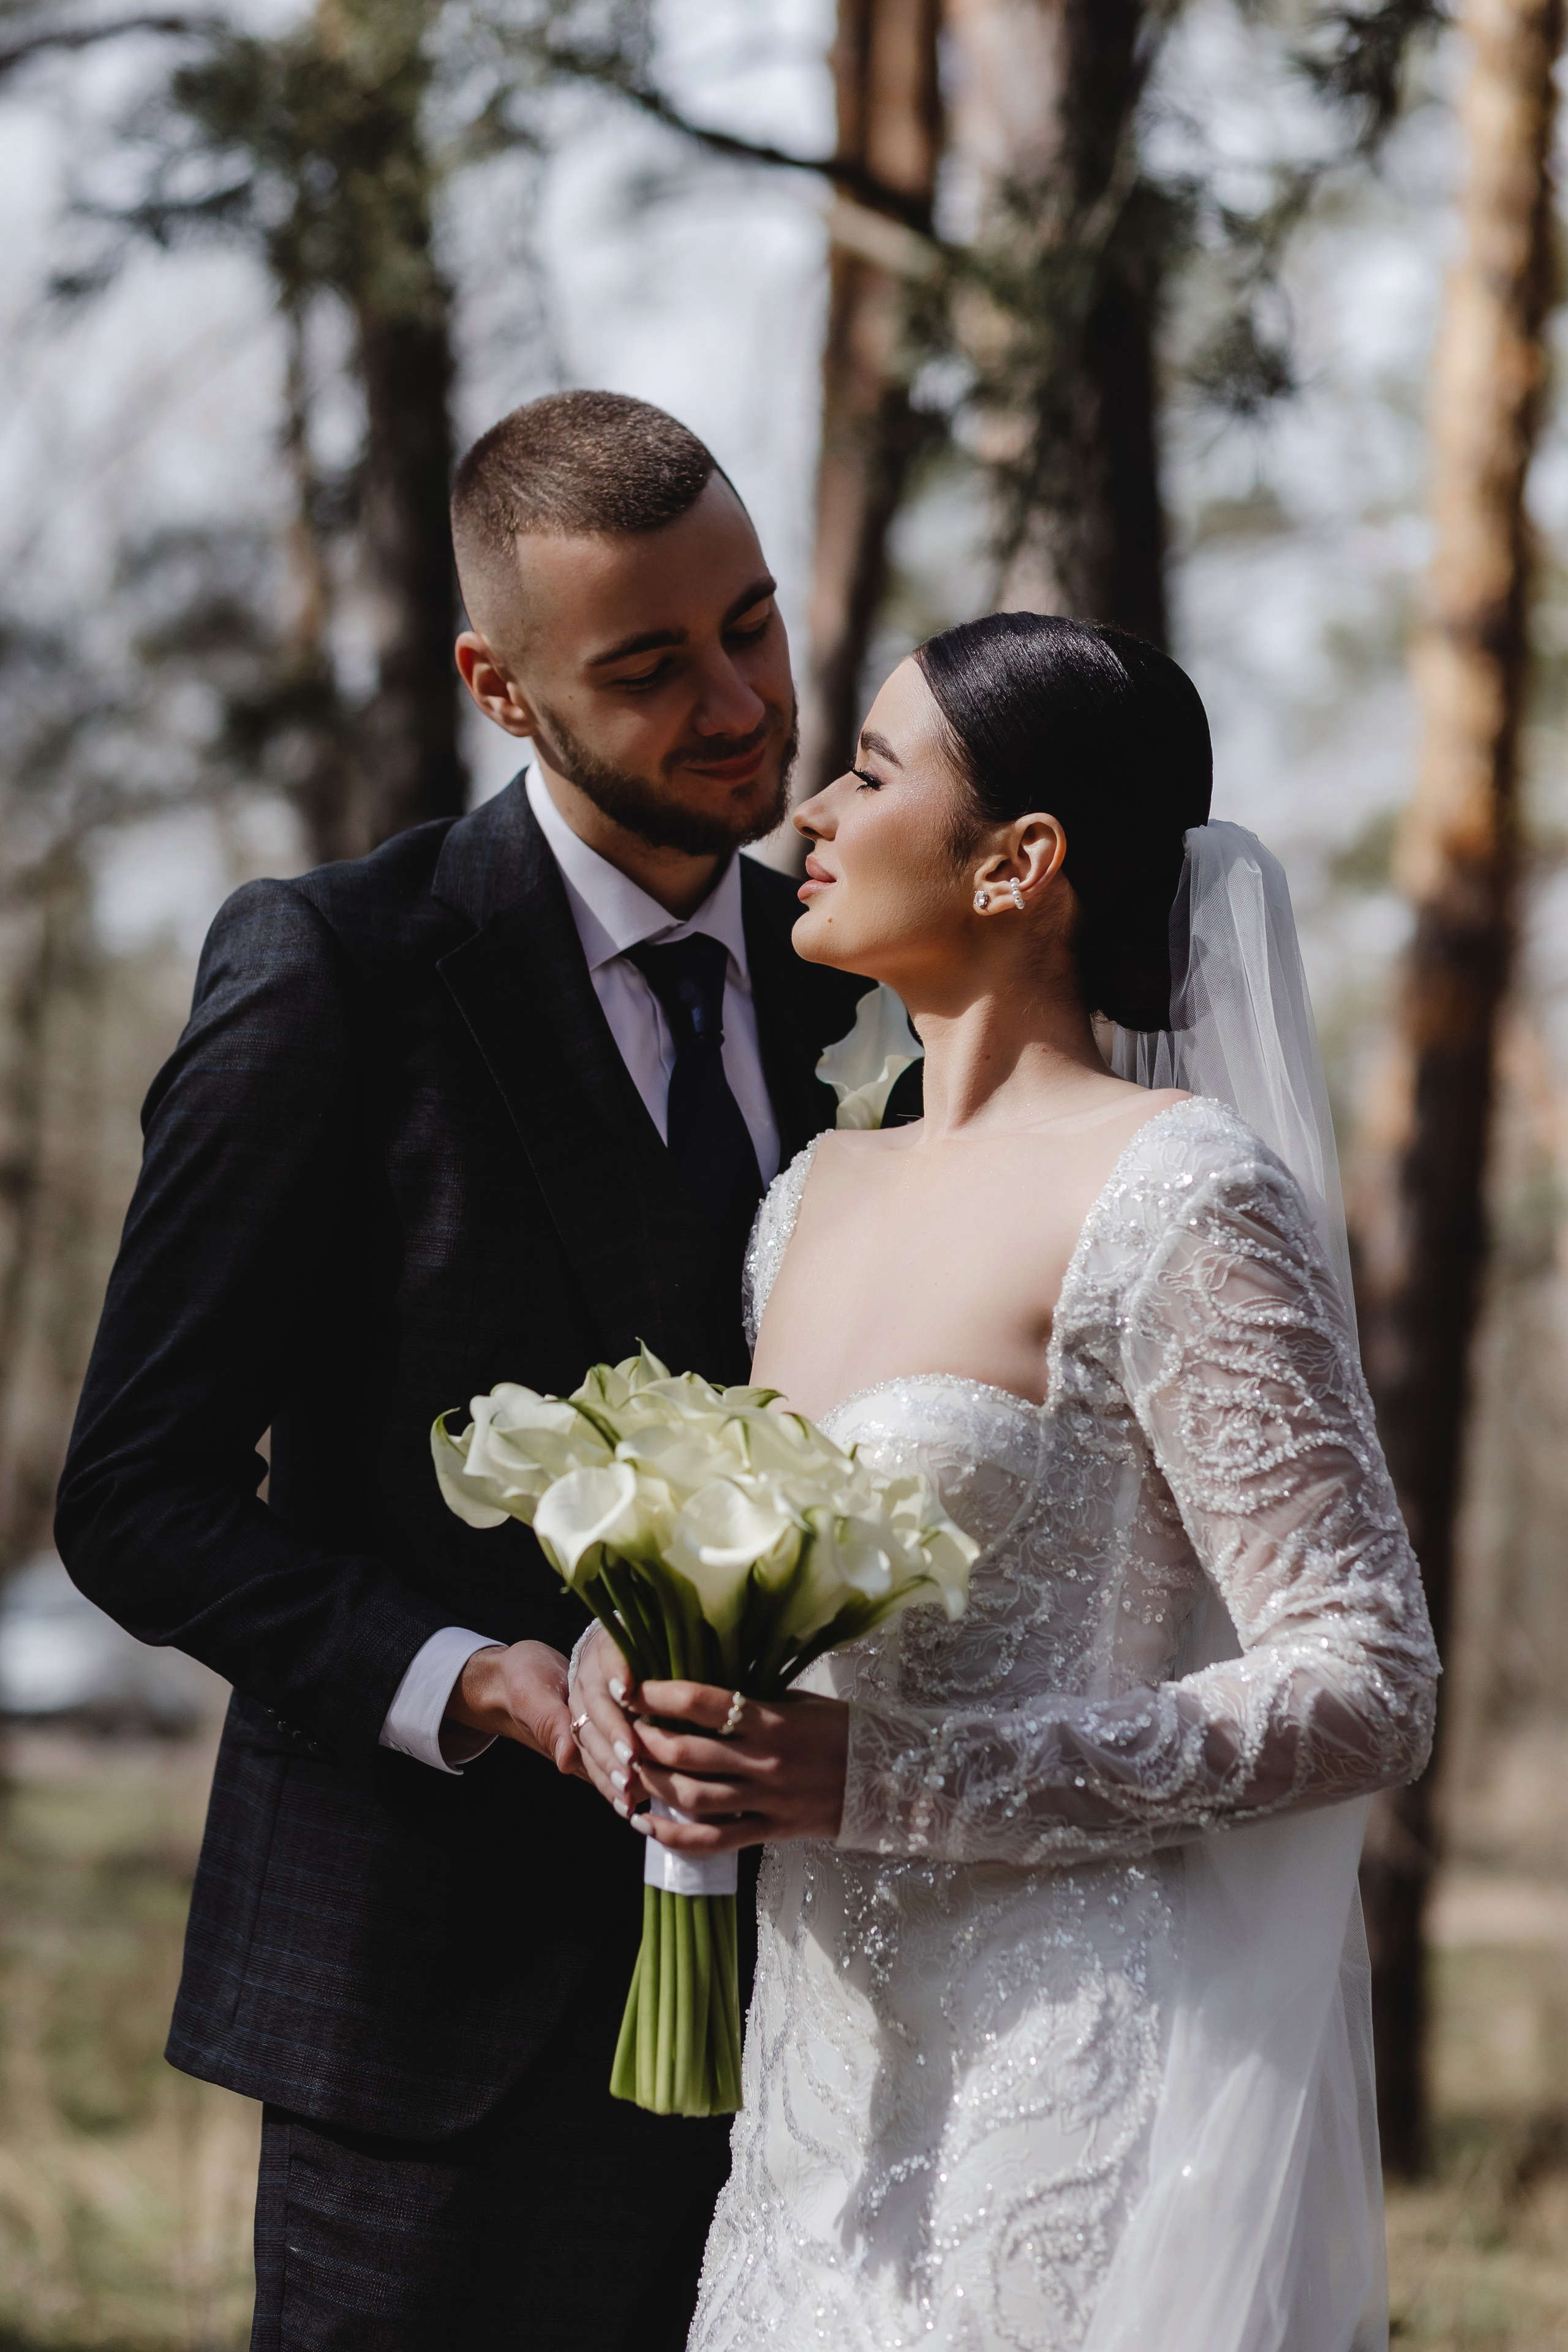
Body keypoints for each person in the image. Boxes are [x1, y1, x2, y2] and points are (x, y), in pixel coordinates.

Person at [55, 391, 876, 2351]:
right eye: (655, 666)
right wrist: (478, 1683)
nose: (743, 702)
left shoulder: (861, 978)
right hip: (428, 2033)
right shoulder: (334, 974)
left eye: (753, 623)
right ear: (500, 688)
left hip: (829, 2021)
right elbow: (136, 1495)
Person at [569, 614, 1441, 2352]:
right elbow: (762, 1561)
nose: (810, 807)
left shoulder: (1182, 1196)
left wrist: (894, 1779)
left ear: (1020, 862)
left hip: (1070, 2097)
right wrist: (635, 1675)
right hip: (814, 2089)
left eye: (875, 772)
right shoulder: (811, 1191)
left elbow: (1369, 1680)